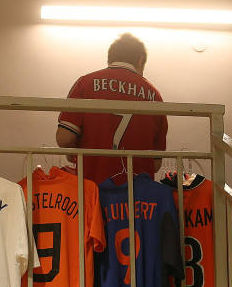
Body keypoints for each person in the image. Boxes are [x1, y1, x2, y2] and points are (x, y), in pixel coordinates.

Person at [56, 33, 168, 185]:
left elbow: (64, 138)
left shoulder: (85, 83)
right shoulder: (154, 95)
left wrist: (73, 153)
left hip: (93, 188)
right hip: (137, 192)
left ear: (110, 59)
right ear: (140, 60)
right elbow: (155, 164)